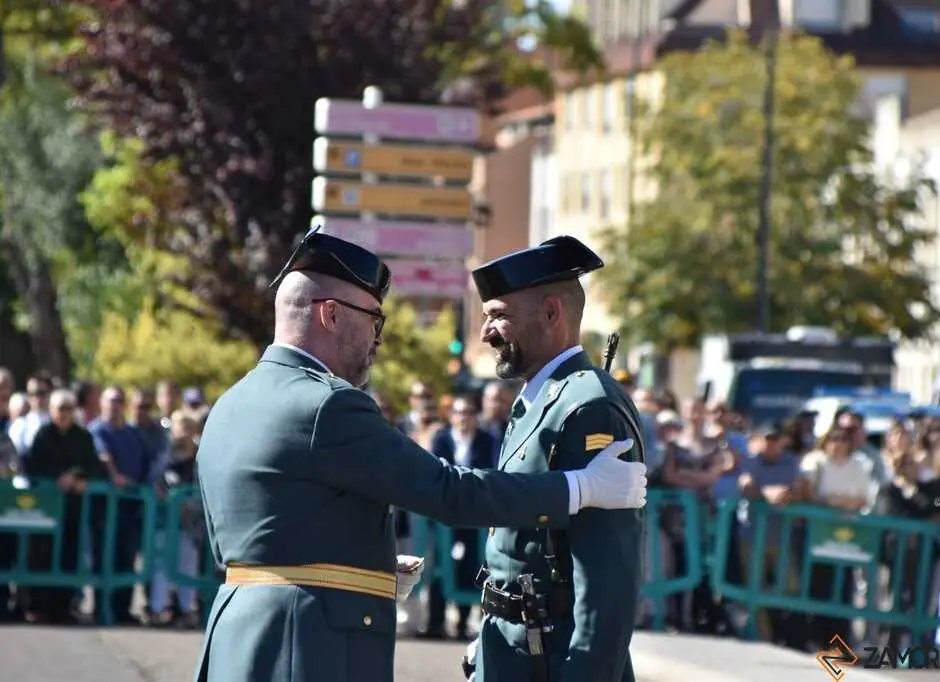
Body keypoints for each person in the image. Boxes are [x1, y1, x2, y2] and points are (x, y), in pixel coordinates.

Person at [192, 226, 647, 682]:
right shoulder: (326, 403)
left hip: (240, 637)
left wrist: (360, 568)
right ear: (330, 315)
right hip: (306, 645)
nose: (378, 337)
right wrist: (582, 486)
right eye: (374, 317)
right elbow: (447, 491)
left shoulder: (232, 401)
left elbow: (257, 538)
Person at [464, 235, 646, 682]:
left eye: (499, 316)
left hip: (553, 659)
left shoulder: (589, 407)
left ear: (551, 313)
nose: (486, 333)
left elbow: (607, 581)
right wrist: (490, 636)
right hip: (514, 651)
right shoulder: (538, 399)